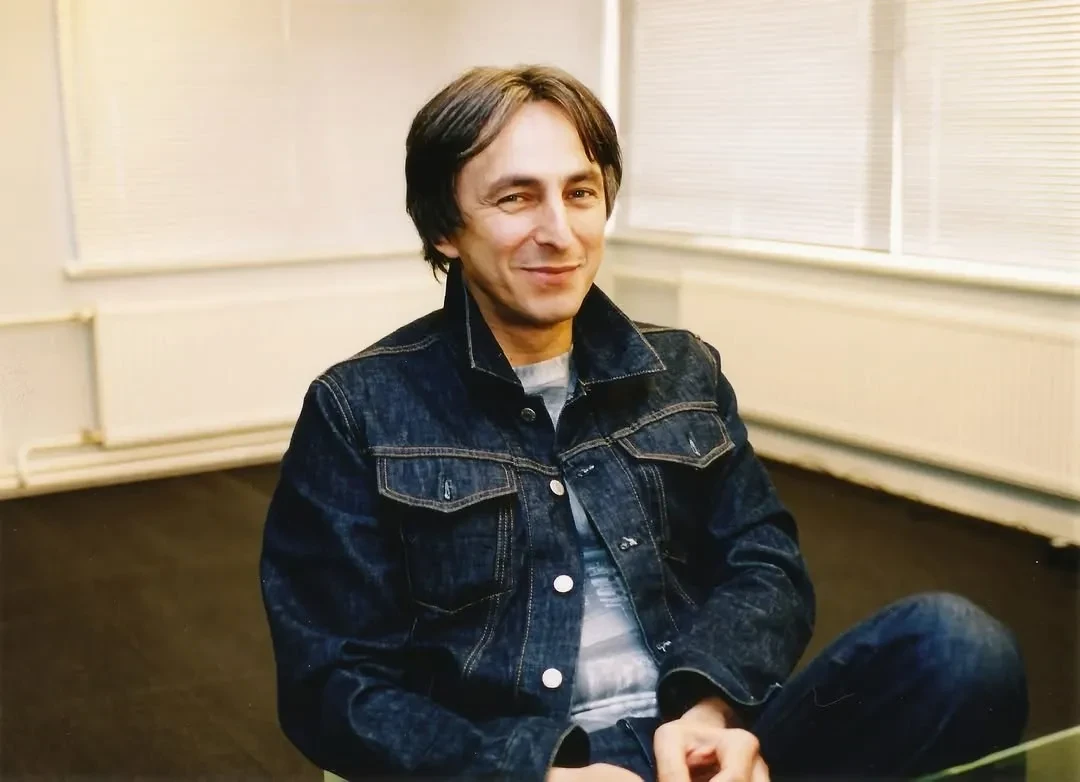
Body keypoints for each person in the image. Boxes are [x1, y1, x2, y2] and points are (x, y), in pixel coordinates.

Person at [260, 65, 1028, 782]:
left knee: (958, 649)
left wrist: (711, 712)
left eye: (580, 192)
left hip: (697, 734)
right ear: (444, 227)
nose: (560, 231)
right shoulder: (358, 408)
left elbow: (764, 562)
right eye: (517, 198)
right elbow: (334, 684)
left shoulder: (682, 368)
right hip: (523, 763)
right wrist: (531, 772)